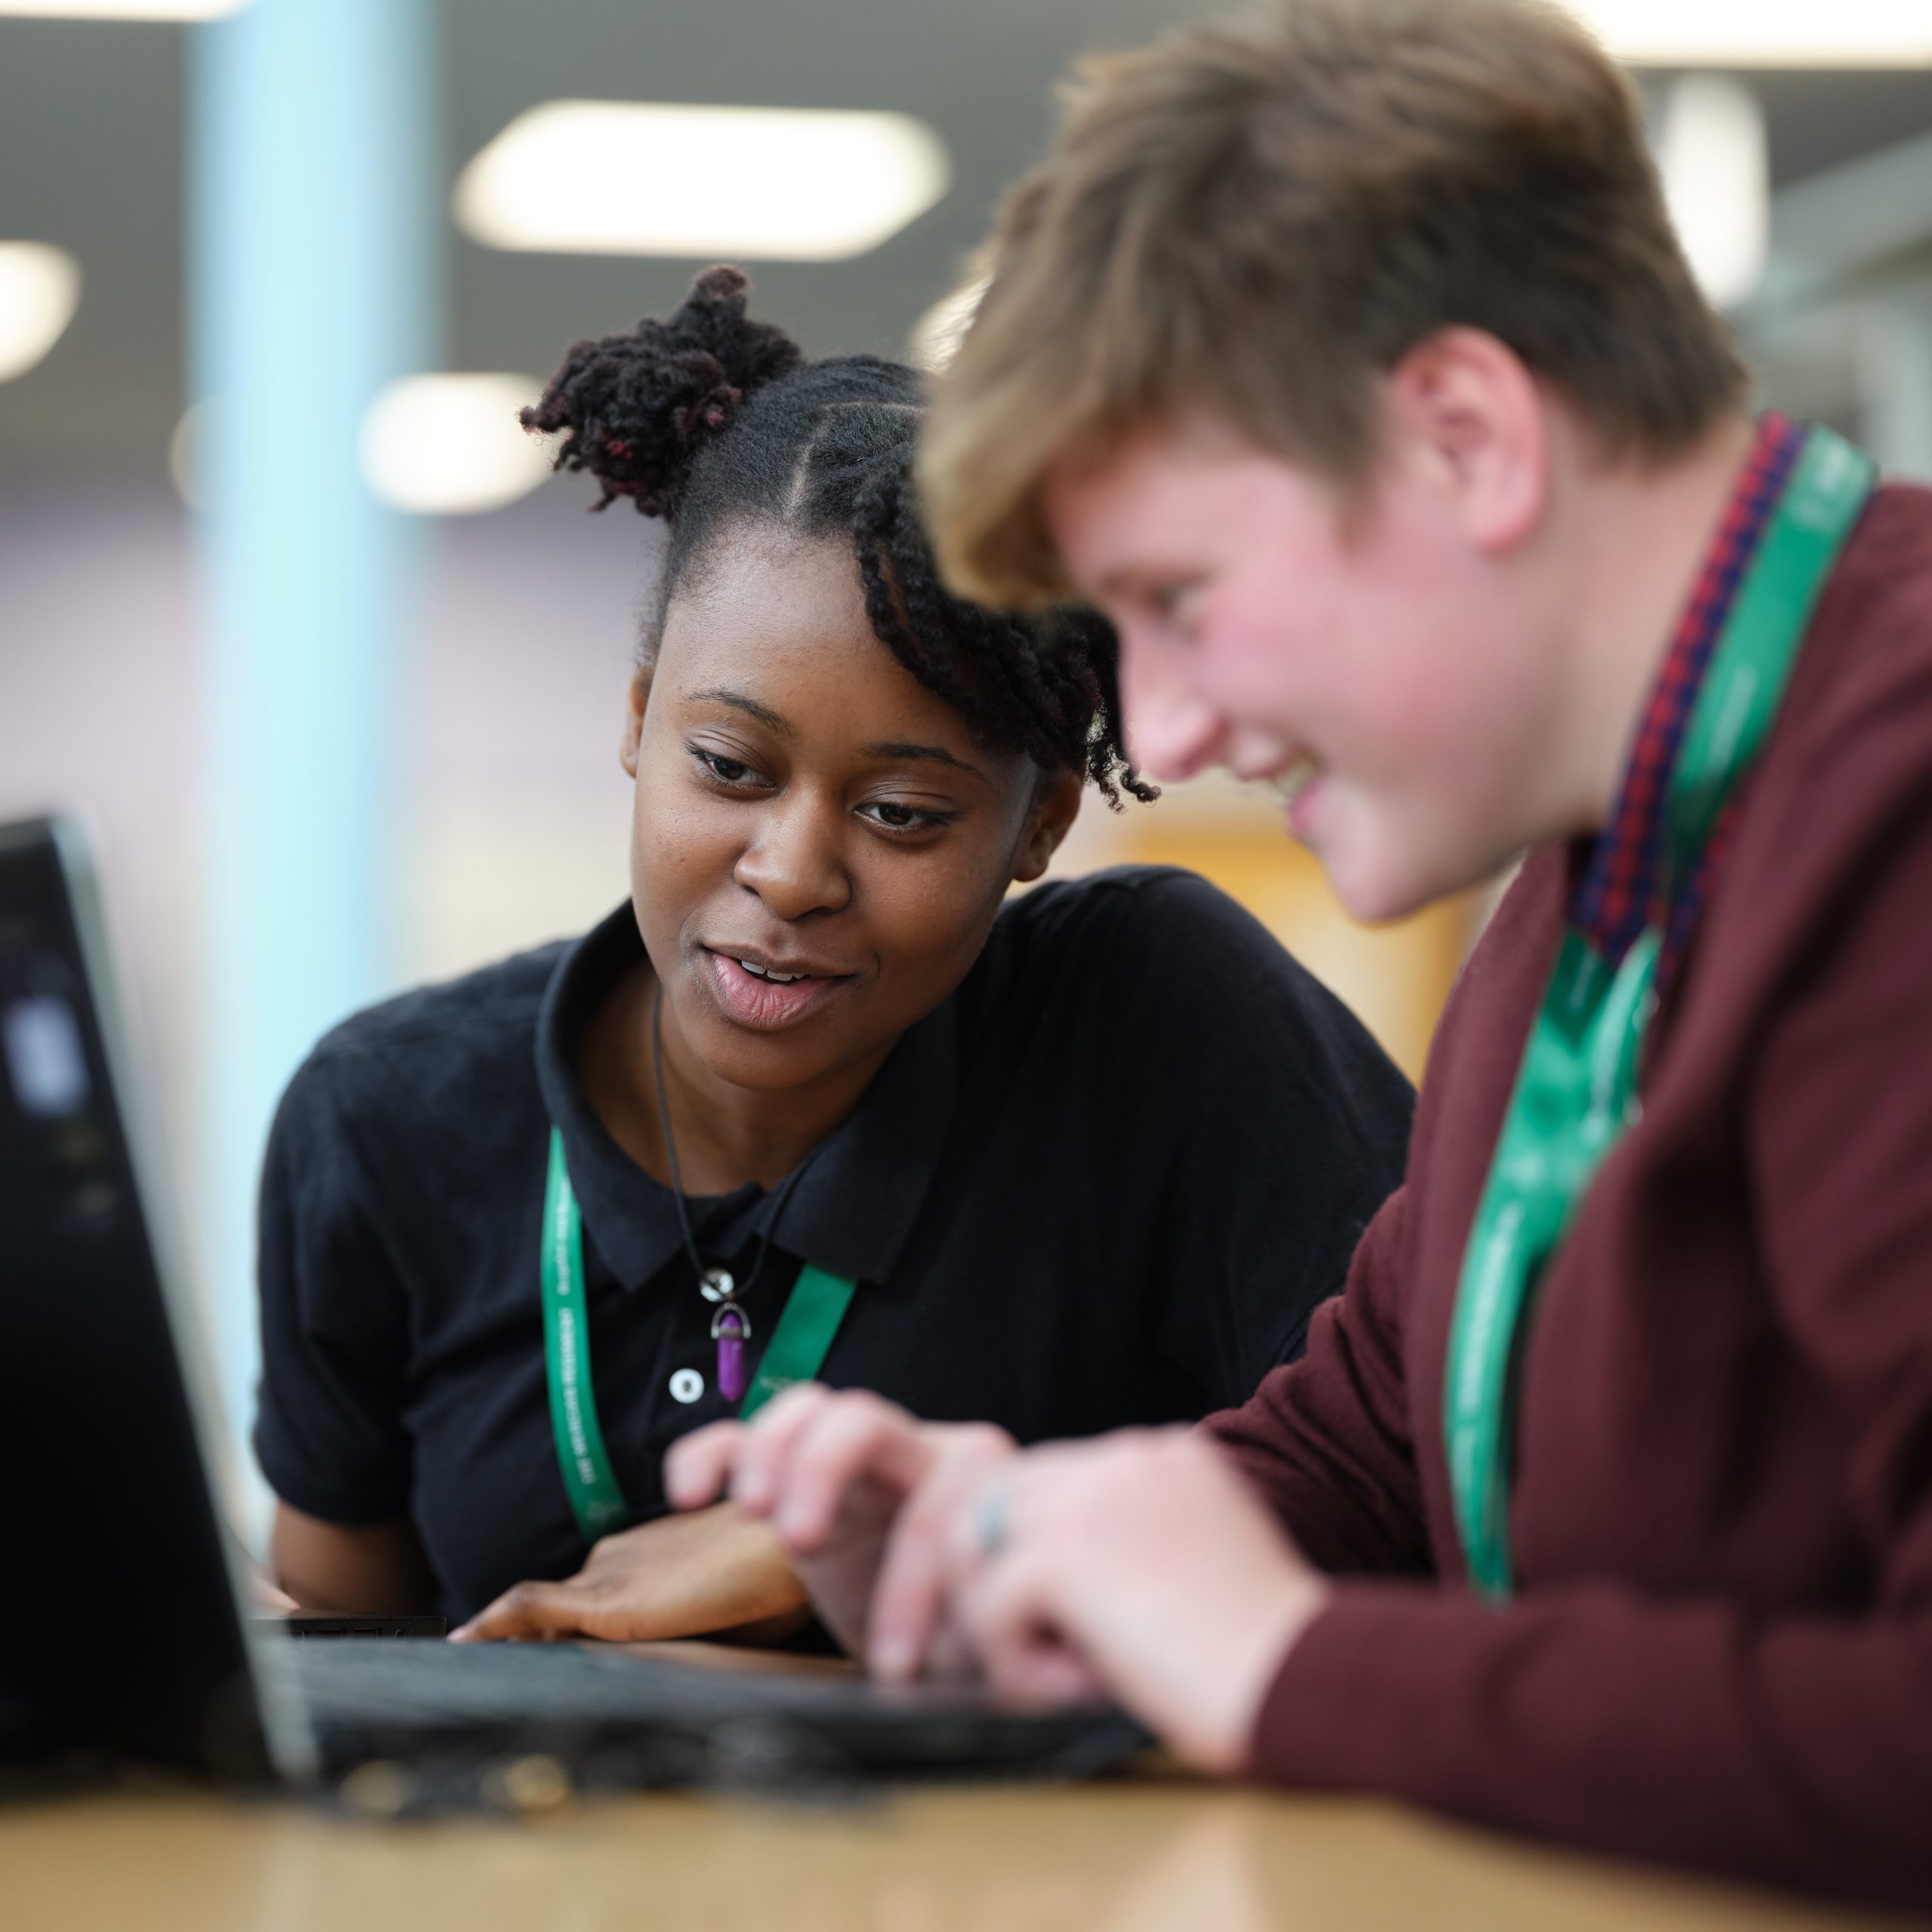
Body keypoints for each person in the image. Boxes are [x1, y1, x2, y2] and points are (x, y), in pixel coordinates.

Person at [665, 2, 1932, 1909]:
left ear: (1462, 437)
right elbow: (1369, 1450)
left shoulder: (1890, 797)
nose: (1161, 734)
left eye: (1176, 600)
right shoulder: (1592, 875)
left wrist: (1278, 1665)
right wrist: (1020, 1537)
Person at [253, 267, 1414, 1641]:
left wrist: (890, 1547)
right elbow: (336, 1657)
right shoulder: (386, 1118)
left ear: (1040, 813)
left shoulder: (1161, 1031)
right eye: (728, 765)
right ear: (639, 721)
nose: (791, 874)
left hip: (1042, 1862)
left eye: (902, 814)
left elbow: (1439, 1499)